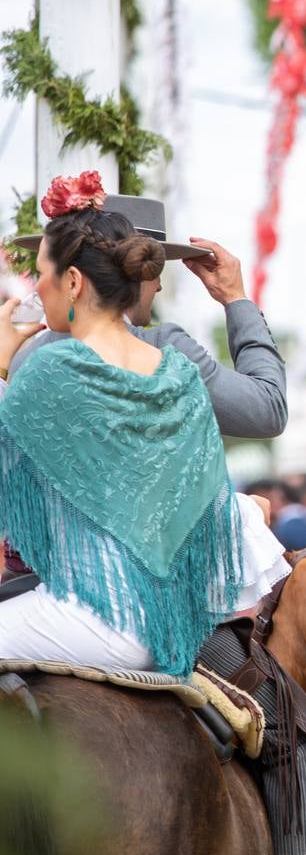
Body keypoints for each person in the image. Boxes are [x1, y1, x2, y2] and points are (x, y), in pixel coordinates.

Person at [0, 175, 276, 676]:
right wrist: (245, 512)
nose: (35, 287)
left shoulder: (44, 365)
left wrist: (0, 365)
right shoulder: (173, 365)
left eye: (42, 272)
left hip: (86, 611)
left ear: (75, 281)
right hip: (162, 621)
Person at [11, 192, 287, 440]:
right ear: (141, 268)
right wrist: (235, 298)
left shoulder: (29, 356)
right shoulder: (166, 353)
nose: (159, 285)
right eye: (156, 267)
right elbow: (267, 411)